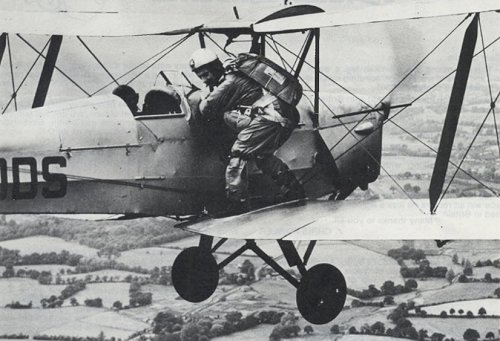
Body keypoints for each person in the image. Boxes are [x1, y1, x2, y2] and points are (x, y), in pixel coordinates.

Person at [189, 48, 304, 212]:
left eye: (206, 75)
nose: (204, 80)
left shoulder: (229, 82)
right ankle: (294, 191)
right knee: (261, 155)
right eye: (200, 76)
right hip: (281, 116)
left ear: (214, 68)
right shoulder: (234, 76)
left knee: (239, 152)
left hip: (271, 117)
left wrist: (203, 96)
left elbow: (205, 109)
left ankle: (236, 203)